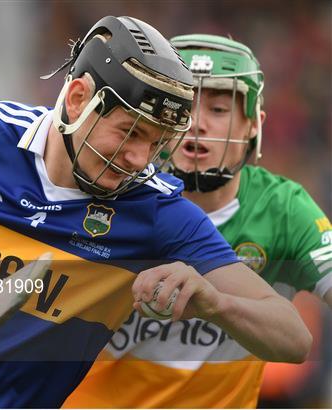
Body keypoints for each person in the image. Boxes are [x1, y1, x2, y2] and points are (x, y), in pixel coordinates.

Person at [0, 19, 311, 408]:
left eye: (156, 143)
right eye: (129, 132)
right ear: (77, 97)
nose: (139, 158)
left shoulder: (158, 212)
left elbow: (291, 336)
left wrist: (216, 303)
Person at [63, 33, 332, 409]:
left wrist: (218, 304)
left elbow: (298, 343)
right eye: (185, 108)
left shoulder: (284, 209)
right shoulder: (110, 187)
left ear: (254, 124)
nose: (197, 124)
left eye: (219, 110)